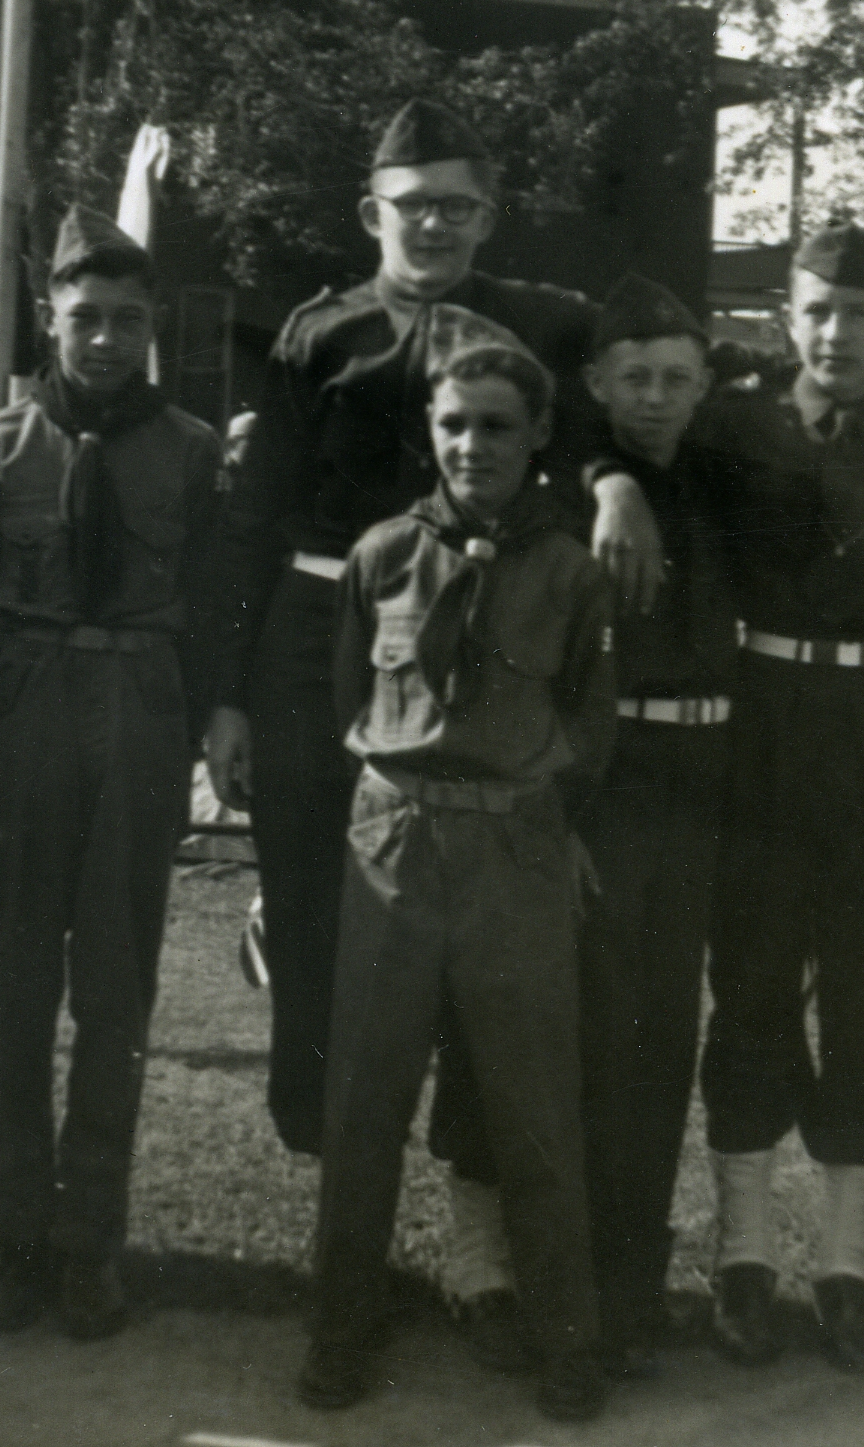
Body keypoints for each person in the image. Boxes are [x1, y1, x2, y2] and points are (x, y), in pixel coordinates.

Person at [207, 99, 657, 1350]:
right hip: (322, 647)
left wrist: (615, 481)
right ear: (374, 216)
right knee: (323, 934)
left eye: (462, 206)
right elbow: (252, 519)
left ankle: (475, 1245)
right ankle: (344, 1243)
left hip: (489, 669)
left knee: (490, 977)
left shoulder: (543, 323)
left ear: (490, 214)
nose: (440, 226)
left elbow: (618, 404)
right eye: (417, 207)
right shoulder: (316, 334)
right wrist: (233, 693)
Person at [297, 308, 615, 1423]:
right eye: (452, 425)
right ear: (428, 430)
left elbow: (590, 718)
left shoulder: (572, 572)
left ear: (536, 438)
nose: (472, 445)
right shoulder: (384, 553)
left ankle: (567, 1339)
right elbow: (352, 694)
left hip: (512, 850)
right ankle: (339, 1328)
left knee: (534, 1102)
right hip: (395, 841)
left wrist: (531, 803)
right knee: (366, 1097)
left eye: (496, 426)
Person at [0, 206, 223, 1340]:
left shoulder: (193, 455)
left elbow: (211, 614)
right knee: (13, 993)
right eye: (85, 318)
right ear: (50, 318)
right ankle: (11, 1235)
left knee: (116, 992)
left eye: (129, 321)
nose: (106, 341)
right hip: (22, 719)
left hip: (140, 716)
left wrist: (202, 734)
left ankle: (91, 1239)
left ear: (154, 328)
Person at [694, 223, 864, 1371]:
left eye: (862, 313)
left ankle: (848, 1269)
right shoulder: (733, 427)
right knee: (747, 986)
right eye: (818, 309)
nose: (837, 332)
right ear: (786, 315)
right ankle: (742, 1261)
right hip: (763, 723)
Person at [571, 273, 813, 1376]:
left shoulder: (724, 475)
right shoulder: (572, 489)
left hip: (726, 766)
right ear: (598, 384)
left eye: (677, 378)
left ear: (704, 385)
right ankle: (603, 1293)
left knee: (682, 1037)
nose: (657, 397)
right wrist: (609, 479)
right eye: (636, 379)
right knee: (628, 1033)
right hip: (626, 773)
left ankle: (646, 1274)